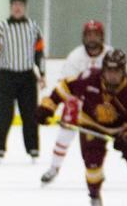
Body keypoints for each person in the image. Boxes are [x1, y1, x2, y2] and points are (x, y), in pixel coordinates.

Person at [36, 49, 127, 206]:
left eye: (117, 71)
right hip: (92, 125)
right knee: (92, 164)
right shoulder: (89, 78)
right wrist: (48, 106)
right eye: (109, 70)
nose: (112, 75)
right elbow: (64, 87)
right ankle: (95, 196)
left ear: (124, 71)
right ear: (103, 69)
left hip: (121, 128)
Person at [40, 20, 111, 184]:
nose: (92, 38)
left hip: (101, 105)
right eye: (89, 34)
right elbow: (65, 84)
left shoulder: (110, 54)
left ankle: (97, 169)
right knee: (64, 135)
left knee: (96, 141)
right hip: (77, 103)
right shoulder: (75, 56)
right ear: (84, 37)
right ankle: (54, 168)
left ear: (102, 37)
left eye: (96, 35)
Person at [0, 0, 46, 162]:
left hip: (27, 77)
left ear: (25, 8)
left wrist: (42, 74)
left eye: (21, 5)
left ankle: (33, 148)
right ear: (11, 7)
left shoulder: (34, 27)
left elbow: (39, 53)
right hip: (6, 77)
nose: (18, 8)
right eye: (15, 5)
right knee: (5, 114)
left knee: (30, 114)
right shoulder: (0, 28)